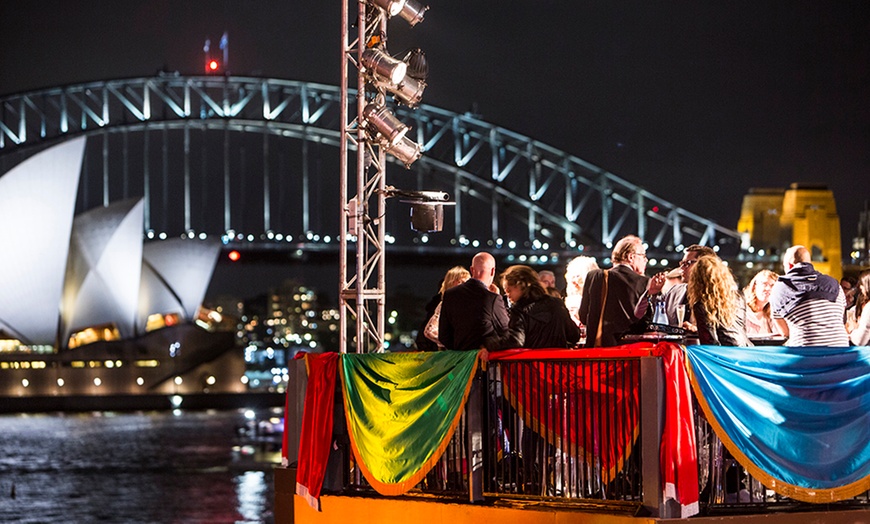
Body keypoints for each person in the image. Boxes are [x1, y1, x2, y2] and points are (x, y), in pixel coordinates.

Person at [769, 245, 849, 347]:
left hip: (806, 353)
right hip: (840, 349)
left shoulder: (780, 288)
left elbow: (785, 332)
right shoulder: (834, 284)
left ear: (789, 266)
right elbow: (841, 319)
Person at [486, 265, 580, 350]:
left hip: (531, 367)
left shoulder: (519, 310)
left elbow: (515, 341)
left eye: (509, 289)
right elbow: (574, 335)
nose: (507, 294)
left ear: (521, 285)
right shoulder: (557, 303)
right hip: (558, 366)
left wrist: (489, 344)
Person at [579, 235, 649, 347]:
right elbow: (646, 322)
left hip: (596, 351)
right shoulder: (644, 282)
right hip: (629, 352)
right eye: (643, 255)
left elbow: (583, 316)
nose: (646, 260)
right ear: (631, 257)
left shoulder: (594, 276)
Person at [439, 252, 510, 350]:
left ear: (472, 270)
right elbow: (506, 331)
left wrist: (460, 350)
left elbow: (443, 336)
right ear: (493, 271)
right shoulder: (492, 298)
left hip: (459, 360)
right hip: (484, 360)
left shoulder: (450, 294)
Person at [633, 244, 716, 329]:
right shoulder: (675, 291)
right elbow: (638, 314)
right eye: (682, 263)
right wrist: (650, 293)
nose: (682, 268)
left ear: (704, 265)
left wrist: (696, 329)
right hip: (675, 342)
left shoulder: (719, 294)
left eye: (687, 263)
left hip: (702, 342)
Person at [687, 256, 752, 346]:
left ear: (697, 280)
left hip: (725, 354)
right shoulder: (739, 296)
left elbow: (709, 342)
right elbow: (739, 329)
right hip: (746, 349)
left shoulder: (702, 305)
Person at [421, 266, 471, 349]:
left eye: (467, 282)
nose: (465, 285)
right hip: (451, 355)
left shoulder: (470, 304)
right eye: (460, 281)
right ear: (451, 283)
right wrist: (452, 342)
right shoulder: (445, 305)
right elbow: (429, 331)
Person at [743, 269, 780, 337]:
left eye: (772, 285)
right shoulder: (742, 310)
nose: (768, 288)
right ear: (754, 286)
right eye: (764, 284)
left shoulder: (772, 314)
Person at [564, 256, 598, 326]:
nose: (573, 281)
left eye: (577, 276)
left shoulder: (598, 301)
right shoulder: (571, 301)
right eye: (572, 277)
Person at [849, 270, 870, 346]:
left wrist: (854, 329)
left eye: (862, 284)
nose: (860, 287)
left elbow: (860, 341)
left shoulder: (868, 308)